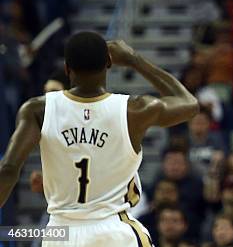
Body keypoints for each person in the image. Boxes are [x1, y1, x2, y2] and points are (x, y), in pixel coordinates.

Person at [0, 31, 199, 246]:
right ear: (109, 63)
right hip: (115, 232)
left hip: (61, 233)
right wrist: (134, 60)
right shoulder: (134, 110)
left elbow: (8, 170)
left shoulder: (38, 110)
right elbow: (189, 104)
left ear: (67, 68)